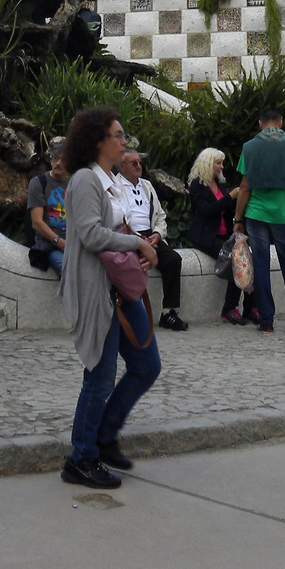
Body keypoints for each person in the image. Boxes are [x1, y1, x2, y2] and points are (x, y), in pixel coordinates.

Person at [59, 106, 162, 490]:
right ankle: (82, 457)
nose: (124, 141)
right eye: (117, 135)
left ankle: (104, 436)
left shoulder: (112, 179)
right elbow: (88, 233)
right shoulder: (86, 180)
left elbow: (113, 228)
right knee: (99, 378)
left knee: (146, 364)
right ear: (98, 141)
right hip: (96, 289)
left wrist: (139, 243)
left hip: (118, 287)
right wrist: (135, 241)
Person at [232, 107, 285, 334]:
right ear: (281, 121)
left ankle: (266, 321)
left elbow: (245, 186)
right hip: (284, 215)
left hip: (257, 214)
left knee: (261, 266)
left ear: (260, 124)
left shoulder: (250, 147)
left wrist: (238, 218)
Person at [116, 150, 186, 331]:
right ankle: (130, 313)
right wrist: (138, 239)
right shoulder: (115, 186)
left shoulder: (147, 185)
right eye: (133, 163)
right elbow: (116, 217)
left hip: (151, 235)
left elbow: (160, 215)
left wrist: (157, 234)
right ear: (121, 167)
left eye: (139, 162)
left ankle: (168, 312)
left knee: (173, 259)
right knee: (131, 263)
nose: (139, 166)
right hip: (128, 235)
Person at [186, 147, 254, 322]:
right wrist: (230, 197)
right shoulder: (197, 186)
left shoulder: (220, 185)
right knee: (235, 261)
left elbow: (227, 210)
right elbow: (207, 210)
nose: (221, 167)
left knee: (249, 257)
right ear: (208, 164)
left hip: (225, 234)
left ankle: (251, 306)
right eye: (218, 163)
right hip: (206, 236)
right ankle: (229, 307)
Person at [28, 145, 69, 276]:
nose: (58, 163)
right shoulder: (39, 183)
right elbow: (37, 222)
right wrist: (59, 242)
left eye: (63, 159)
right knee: (67, 270)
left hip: (73, 242)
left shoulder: (75, 184)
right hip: (50, 244)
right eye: (55, 158)